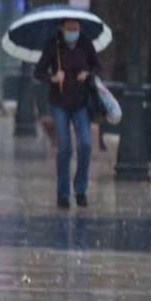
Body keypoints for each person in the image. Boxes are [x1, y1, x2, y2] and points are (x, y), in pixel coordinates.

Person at [33, 18, 100, 209]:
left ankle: (80, 191)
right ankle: (62, 194)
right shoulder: (53, 46)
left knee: (85, 144)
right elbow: (38, 72)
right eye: (69, 28)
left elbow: (97, 65)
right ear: (61, 28)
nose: (73, 32)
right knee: (64, 149)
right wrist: (53, 78)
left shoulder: (85, 43)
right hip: (59, 102)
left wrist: (87, 73)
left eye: (76, 28)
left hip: (80, 103)